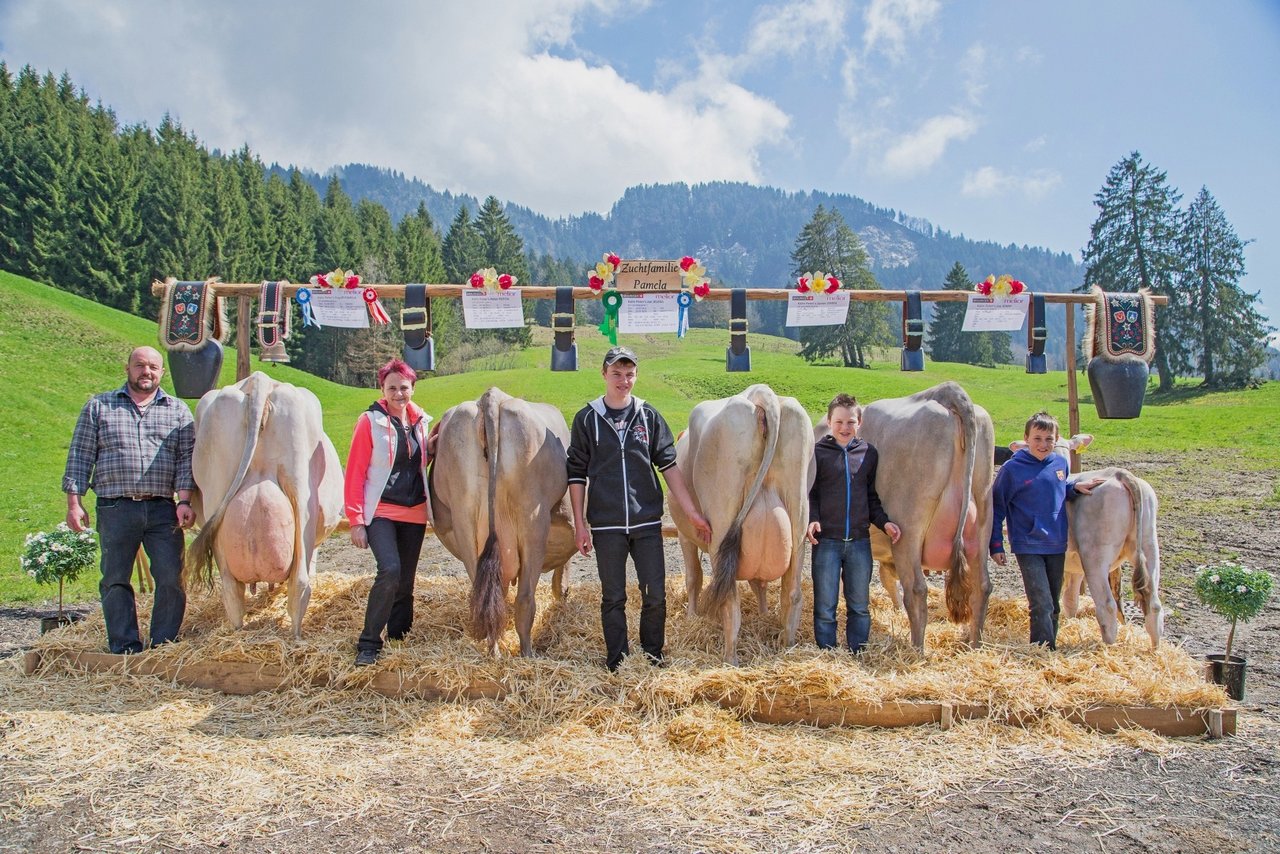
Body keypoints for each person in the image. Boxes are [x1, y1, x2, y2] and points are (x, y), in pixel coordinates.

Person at [567, 346, 711, 671]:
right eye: (617, 373)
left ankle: (651, 655)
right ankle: (617, 661)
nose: (624, 380)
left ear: (636, 375)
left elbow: (670, 469)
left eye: (629, 373)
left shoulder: (648, 416)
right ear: (604, 374)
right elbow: (576, 475)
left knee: (655, 594)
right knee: (613, 597)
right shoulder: (587, 419)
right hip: (606, 525)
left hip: (646, 523)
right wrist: (579, 524)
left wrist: (691, 513)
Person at [63, 346, 195, 654]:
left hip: (163, 508)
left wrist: (185, 500)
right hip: (115, 506)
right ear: (127, 369)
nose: (146, 372)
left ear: (162, 373)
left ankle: (164, 642)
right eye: (140, 365)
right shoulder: (99, 406)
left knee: (171, 576)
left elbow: (186, 460)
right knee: (115, 577)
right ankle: (124, 645)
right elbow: (80, 456)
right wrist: (74, 502)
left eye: (152, 367)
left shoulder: (178, 411)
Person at [990, 411, 1104, 649]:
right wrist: (996, 544)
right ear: (1026, 439)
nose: (1043, 444)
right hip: (1027, 544)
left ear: (1057, 439)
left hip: (1056, 542)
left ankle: (1048, 647)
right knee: (1040, 601)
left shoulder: (1061, 463)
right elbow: (997, 506)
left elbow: (1057, 490)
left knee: (1053, 602)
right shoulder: (1012, 470)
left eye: (1049, 439)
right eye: (1037, 438)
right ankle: (1042, 650)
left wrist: (1074, 487)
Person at [345, 358, 434, 667]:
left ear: (413, 388)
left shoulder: (421, 421)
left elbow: (417, 461)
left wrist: (431, 449)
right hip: (381, 510)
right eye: (392, 388)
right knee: (390, 570)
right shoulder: (369, 421)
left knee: (406, 580)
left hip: (415, 512)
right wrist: (356, 521)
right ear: (382, 388)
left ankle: (399, 636)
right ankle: (369, 643)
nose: (399, 393)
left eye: (404, 387)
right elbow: (355, 472)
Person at [805, 393, 902, 653]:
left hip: (859, 542)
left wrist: (885, 524)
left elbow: (871, 498)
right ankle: (828, 653)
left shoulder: (869, 453)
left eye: (850, 422)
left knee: (859, 605)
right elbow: (811, 493)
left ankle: (857, 653)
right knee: (825, 605)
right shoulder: (818, 453)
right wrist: (812, 519)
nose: (844, 428)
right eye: (839, 422)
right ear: (828, 421)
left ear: (859, 422)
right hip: (827, 542)